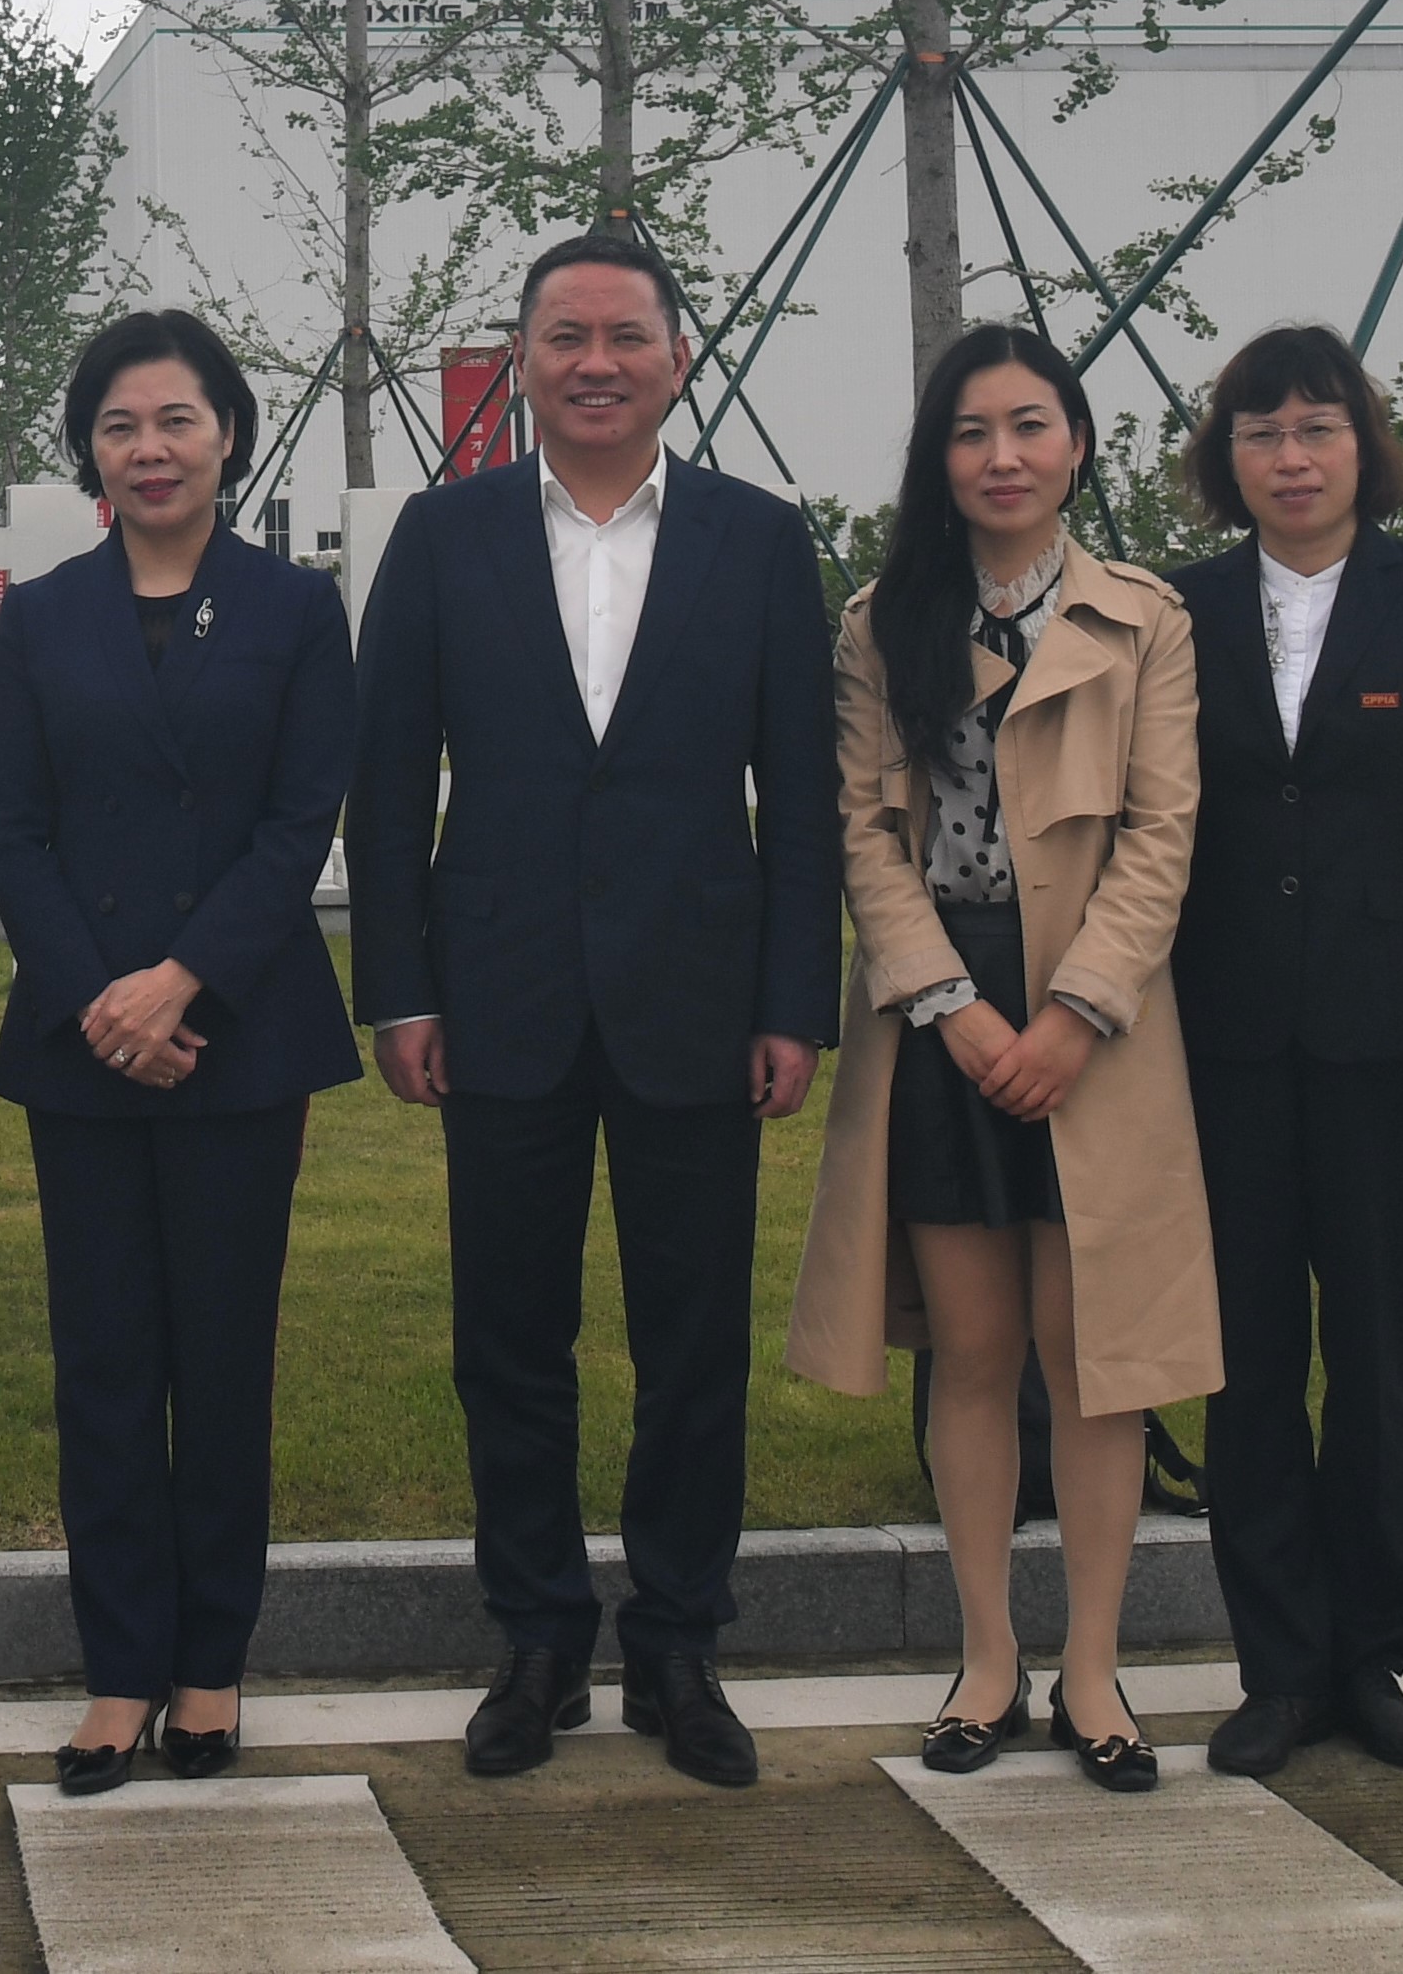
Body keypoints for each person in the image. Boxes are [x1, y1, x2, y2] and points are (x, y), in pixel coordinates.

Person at [348, 230, 836, 1790]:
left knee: (694, 1346)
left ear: (678, 360)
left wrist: (794, 1003)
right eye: (566, 337)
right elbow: (387, 777)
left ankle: (680, 1644)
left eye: (628, 336)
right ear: (524, 362)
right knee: (510, 1340)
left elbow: (804, 795)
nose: (597, 363)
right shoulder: (446, 536)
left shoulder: (761, 541)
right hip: (499, 1000)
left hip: (700, 1000)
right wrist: (401, 987)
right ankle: (540, 1640)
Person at [789, 324, 1217, 1795]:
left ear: (1077, 444)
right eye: (972, 433)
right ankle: (986, 1659)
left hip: (1098, 1033)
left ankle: (1093, 1670)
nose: (1003, 457)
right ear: (941, 458)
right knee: (971, 1357)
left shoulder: (1144, 619)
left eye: (1030, 426)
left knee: (1097, 1369)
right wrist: (954, 1008)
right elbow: (864, 832)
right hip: (942, 1026)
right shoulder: (882, 623)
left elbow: (1162, 833)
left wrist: (1075, 1010)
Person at [0, 311, 356, 1796]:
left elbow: (301, 816)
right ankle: (119, 1672)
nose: (150, 449)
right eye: (121, 425)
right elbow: (14, 829)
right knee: (106, 1364)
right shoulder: (42, 617)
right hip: (84, 1049)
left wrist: (183, 982)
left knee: (222, 1357)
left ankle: (211, 1667)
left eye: (177, 421)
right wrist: (102, 1003)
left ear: (228, 436)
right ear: (90, 448)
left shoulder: (294, 609)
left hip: (239, 1041)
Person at [1165, 325, 1403, 1780]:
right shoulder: (1177, 608)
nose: (1291, 457)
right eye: (1261, 434)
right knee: (1245, 1363)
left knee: (1376, 1356)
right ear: (1227, 460)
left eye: (1317, 428)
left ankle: (1372, 1660)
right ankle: (1280, 1668)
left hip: (1392, 1045)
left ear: (1363, 445)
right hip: (1222, 1040)